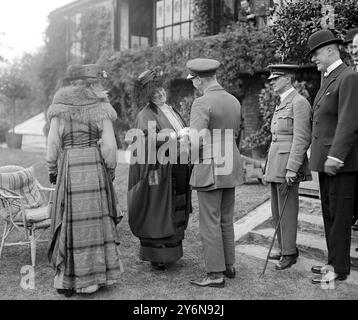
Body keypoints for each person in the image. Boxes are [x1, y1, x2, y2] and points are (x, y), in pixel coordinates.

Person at [46, 64, 123, 297]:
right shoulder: (101, 106)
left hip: (69, 166)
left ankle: (67, 279)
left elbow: (52, 144)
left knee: (69, 220)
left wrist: (52, 168)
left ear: (73, 82)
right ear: (92, 83)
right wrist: (109, 170)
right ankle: (94, 278)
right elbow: (109, 146)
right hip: (93, 165)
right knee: (95, 222)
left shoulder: (59, 107)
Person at [306, 29, 358, 284]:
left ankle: (338, 269)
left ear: (330, 49)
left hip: (341, 164)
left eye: (316, 53)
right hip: (325, 162)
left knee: (339, 218)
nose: (313, 58)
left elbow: (348, 120)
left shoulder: (347, 77)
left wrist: (336, 156)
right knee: (329, 215)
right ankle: (333, 262)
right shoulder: (329, 77)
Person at [187, 58, 244, 288]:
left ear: (200, 79)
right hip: (230, 162)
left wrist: (190, 159)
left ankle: (214, 274)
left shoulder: (201, 102)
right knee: (226, 218)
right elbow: (236, 133)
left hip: (210, 164)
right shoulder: (233, 100)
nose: (193, 85)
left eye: (193, 81)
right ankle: (229, 266)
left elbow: (195, 140)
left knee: (210, 221)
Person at [127, 70, 192, 271]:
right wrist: (175, 135)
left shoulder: (171, 109)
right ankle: (157, 256)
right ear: (147, 95)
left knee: (177, 206)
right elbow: (147, 140)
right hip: (159, 172)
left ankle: (173, 252)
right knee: (159, 210)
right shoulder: (145, 114)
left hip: (178, 167)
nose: (160, 94)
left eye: (161, 89)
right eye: (154, 92)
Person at [264, 64, 312, 270]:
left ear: (288, 79)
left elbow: (302, 138)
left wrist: (293, 167)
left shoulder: (299, 102)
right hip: (276, 162)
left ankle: (290, 253)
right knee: (277, 210)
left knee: (287, 210)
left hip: (287, 165)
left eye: (276, 78)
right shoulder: (283, 102)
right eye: (271, 78)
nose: (272, 81)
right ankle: (284, 248)